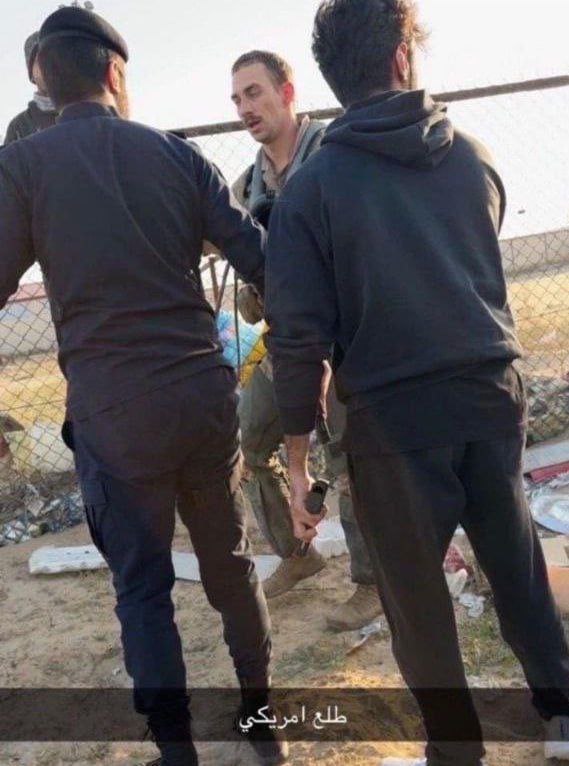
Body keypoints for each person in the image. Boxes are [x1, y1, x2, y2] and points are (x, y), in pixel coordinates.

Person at [265, 1, 569, 764]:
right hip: (489, 397)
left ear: (331, 75)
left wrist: (297, 462)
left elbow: (299, 340)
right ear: (402, 57)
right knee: (516, 568)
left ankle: (456, 750)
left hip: (392, 424)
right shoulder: (472, 157)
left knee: (416, 604)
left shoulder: (310, 189)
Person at [0, 8, 287, 766]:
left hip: (114, 415)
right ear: (114, 72)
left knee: (143, 591)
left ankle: (177, 750)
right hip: (201, 400)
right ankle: (263, 725)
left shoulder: (22, 167)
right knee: (230, 567)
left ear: (45, 81)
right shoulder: (176, 154)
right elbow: (260, 259)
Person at [230, 50, 382, 629]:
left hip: (343, 342)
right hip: (287, 345)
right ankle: (299, 554)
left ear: (287, 92)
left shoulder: (332, 155)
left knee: (350, 461)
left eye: (254, 92)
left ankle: (370, 583)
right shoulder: (248, 186)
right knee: (249, 443)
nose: (245, 108)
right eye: (237, 99)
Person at [4, 32, 58, 145]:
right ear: (31, 72)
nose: (47, 66)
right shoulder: (18, 127)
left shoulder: (80, 114)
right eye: (40, 61)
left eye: (52, 59)